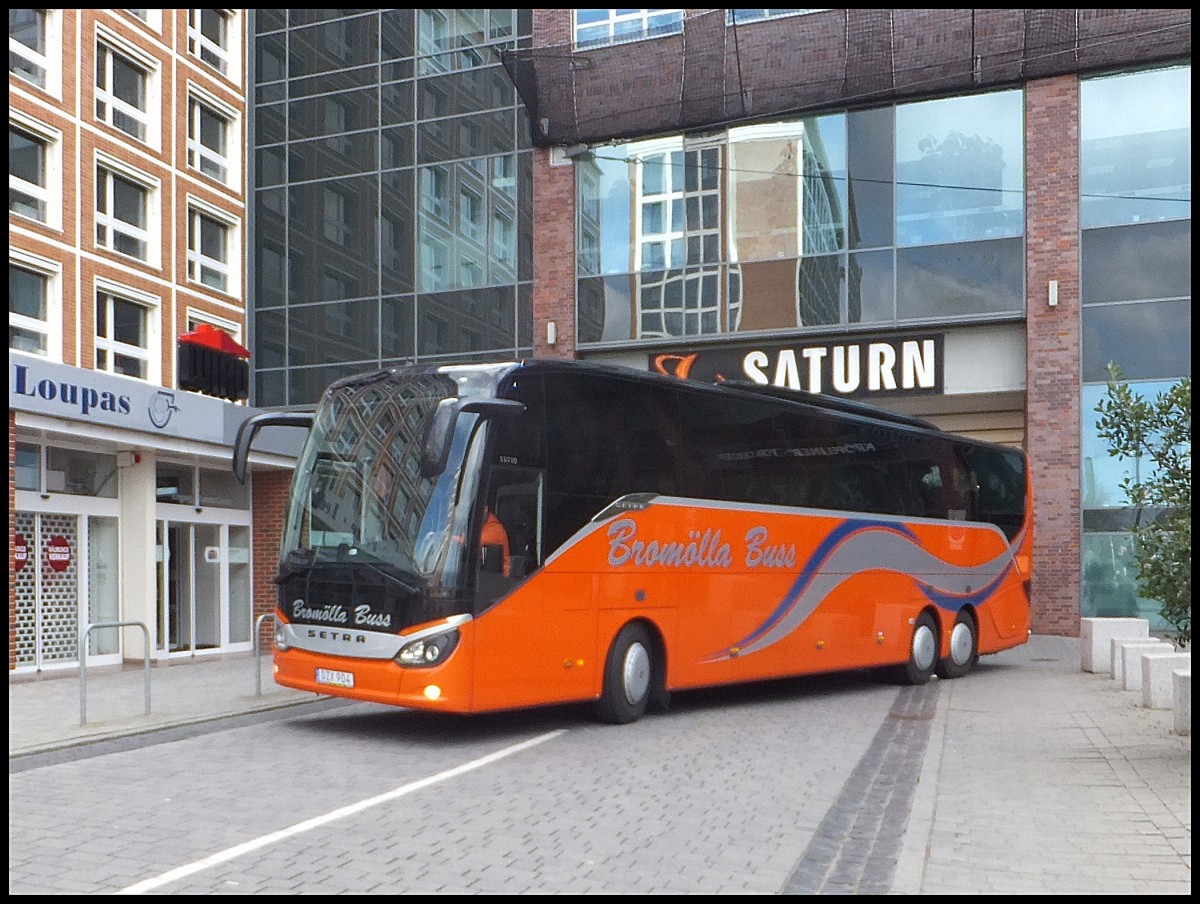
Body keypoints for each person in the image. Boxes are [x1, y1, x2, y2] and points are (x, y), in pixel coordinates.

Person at [480, 506, 511, 577]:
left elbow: (473, 543)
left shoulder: (495, 528)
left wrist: (455, 538)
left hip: (501, 578)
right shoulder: (483, 526)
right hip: (489, 574)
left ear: (486, 509)